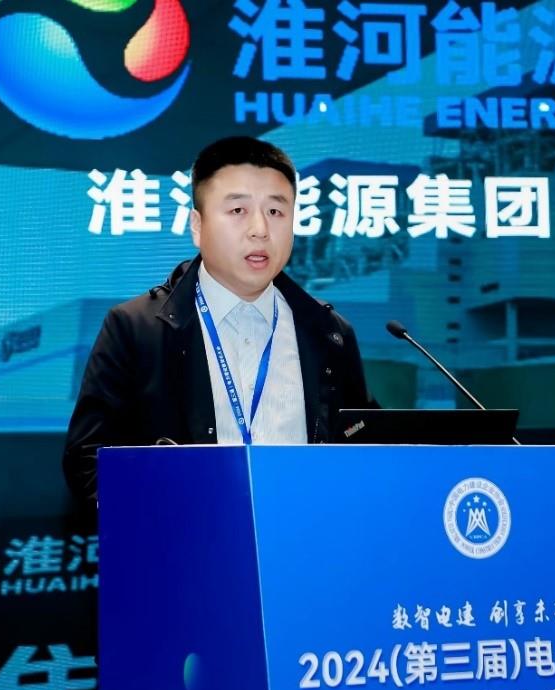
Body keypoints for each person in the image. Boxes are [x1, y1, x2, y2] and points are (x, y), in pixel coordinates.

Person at [63, 136, 377, 506]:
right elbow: (88, 463)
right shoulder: (137, 329)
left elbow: (366, 448)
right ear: (197, 226)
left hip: (306, 536)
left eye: (276, 211)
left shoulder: (329, 332)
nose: (260, 229)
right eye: (238, 210)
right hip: (184, 537)